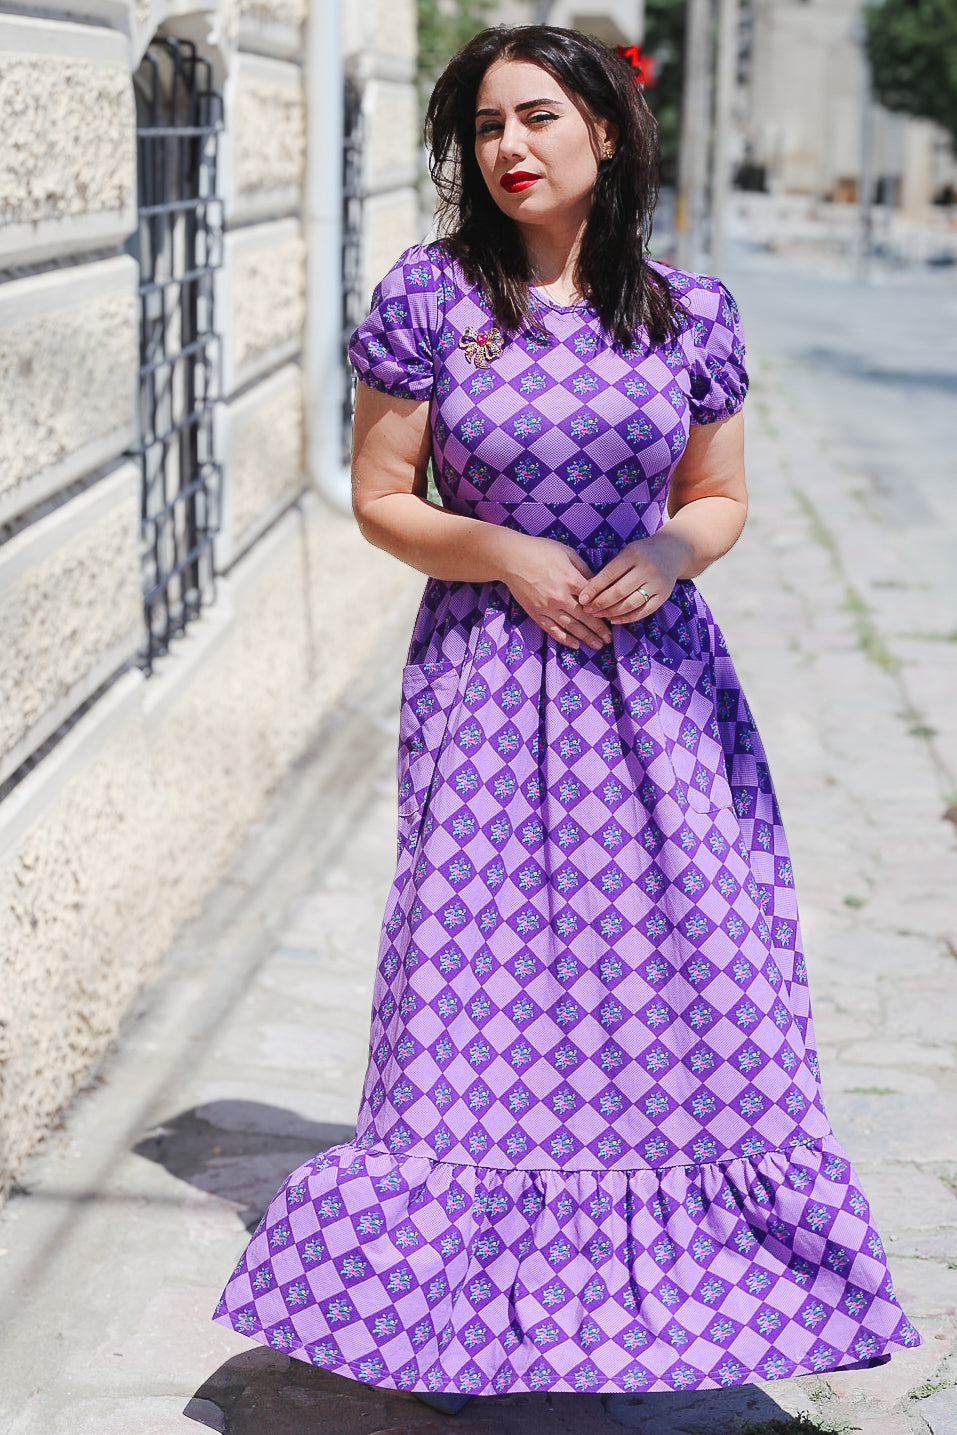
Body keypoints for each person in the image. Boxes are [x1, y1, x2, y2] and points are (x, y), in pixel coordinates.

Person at [214, 24, 919, 1407]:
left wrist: (665, 555)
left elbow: (716, 496)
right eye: (484, 127)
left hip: (655, 697)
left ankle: (679, 1308)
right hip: (488, 685)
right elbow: (381, 498)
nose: (509, 148)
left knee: (685, 985)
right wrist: (504, 551)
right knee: (479, 994)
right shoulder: (432, 298)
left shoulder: (687, 311)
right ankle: (461, 1323)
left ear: (607, 131)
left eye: (537, 117)